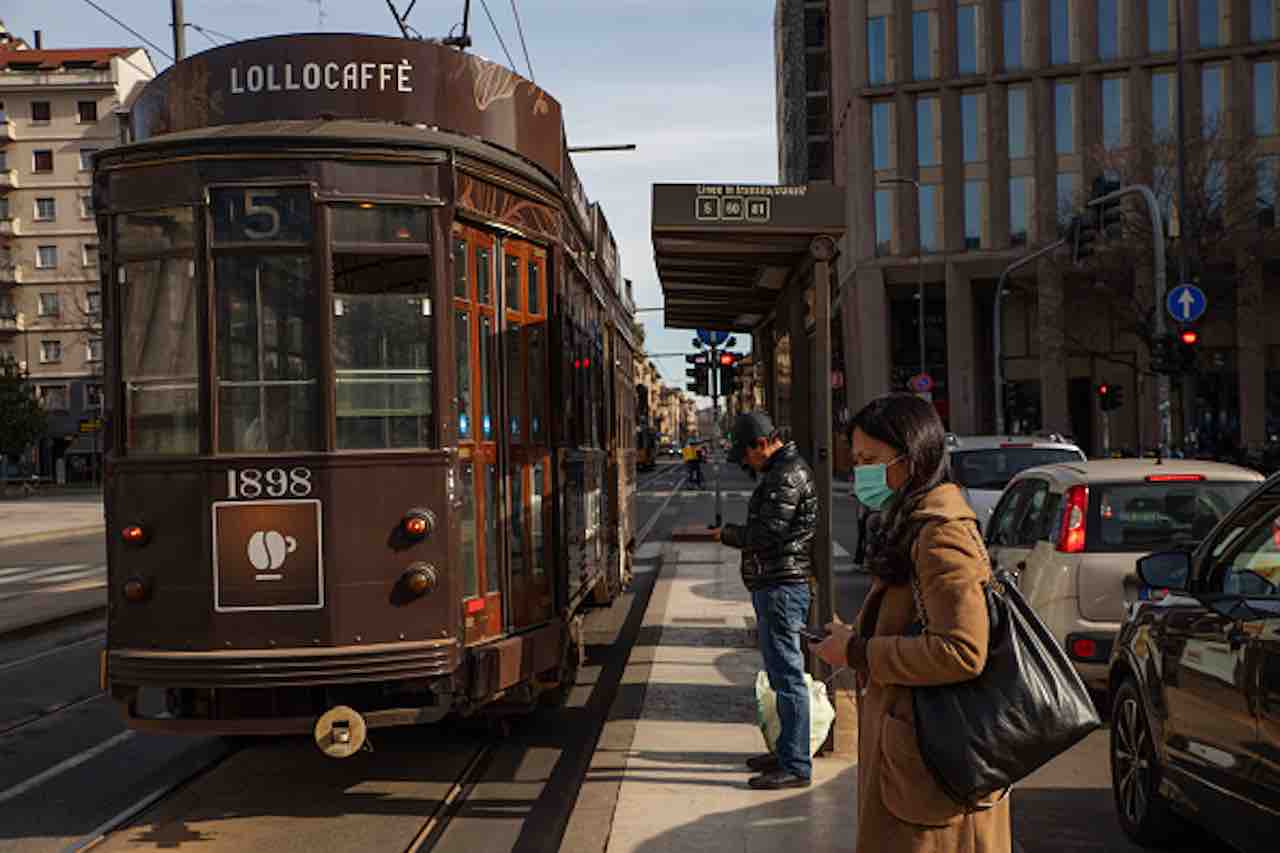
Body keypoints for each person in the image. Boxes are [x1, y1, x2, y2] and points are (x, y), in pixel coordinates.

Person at [812, 394, 1011, 852]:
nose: (860, 471)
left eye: (870, 460)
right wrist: (853, 639)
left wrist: (857, 652)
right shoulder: (913, 524)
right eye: (856, 459)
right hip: (918, 761)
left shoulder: (941, 535)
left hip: (934, 772)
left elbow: (962, 650)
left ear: (911, 459)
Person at [715, 411, 817, 790]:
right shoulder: (781, 471)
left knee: (788, 677)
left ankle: (795, 764)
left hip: (781, 585)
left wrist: (726, 534)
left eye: (745, 455)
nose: (745, 464)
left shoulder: (786, 474)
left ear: (761, 444)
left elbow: (768, 532)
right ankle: (787, 750)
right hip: (776, 584)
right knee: (780, 675)